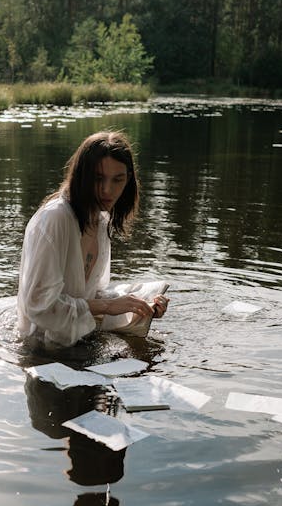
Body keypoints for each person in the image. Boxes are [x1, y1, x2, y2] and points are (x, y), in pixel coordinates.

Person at [17, 131, 169, 349]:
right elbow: (39, 305)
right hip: (40, 351)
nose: (107, 190)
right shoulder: (55, 219)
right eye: (98, 178)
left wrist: (142, 306)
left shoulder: (100, 220)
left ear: (128, 180)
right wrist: (108, 306)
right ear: (82, 177)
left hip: (79, 342)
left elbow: (91, 296)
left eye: (118, 180)